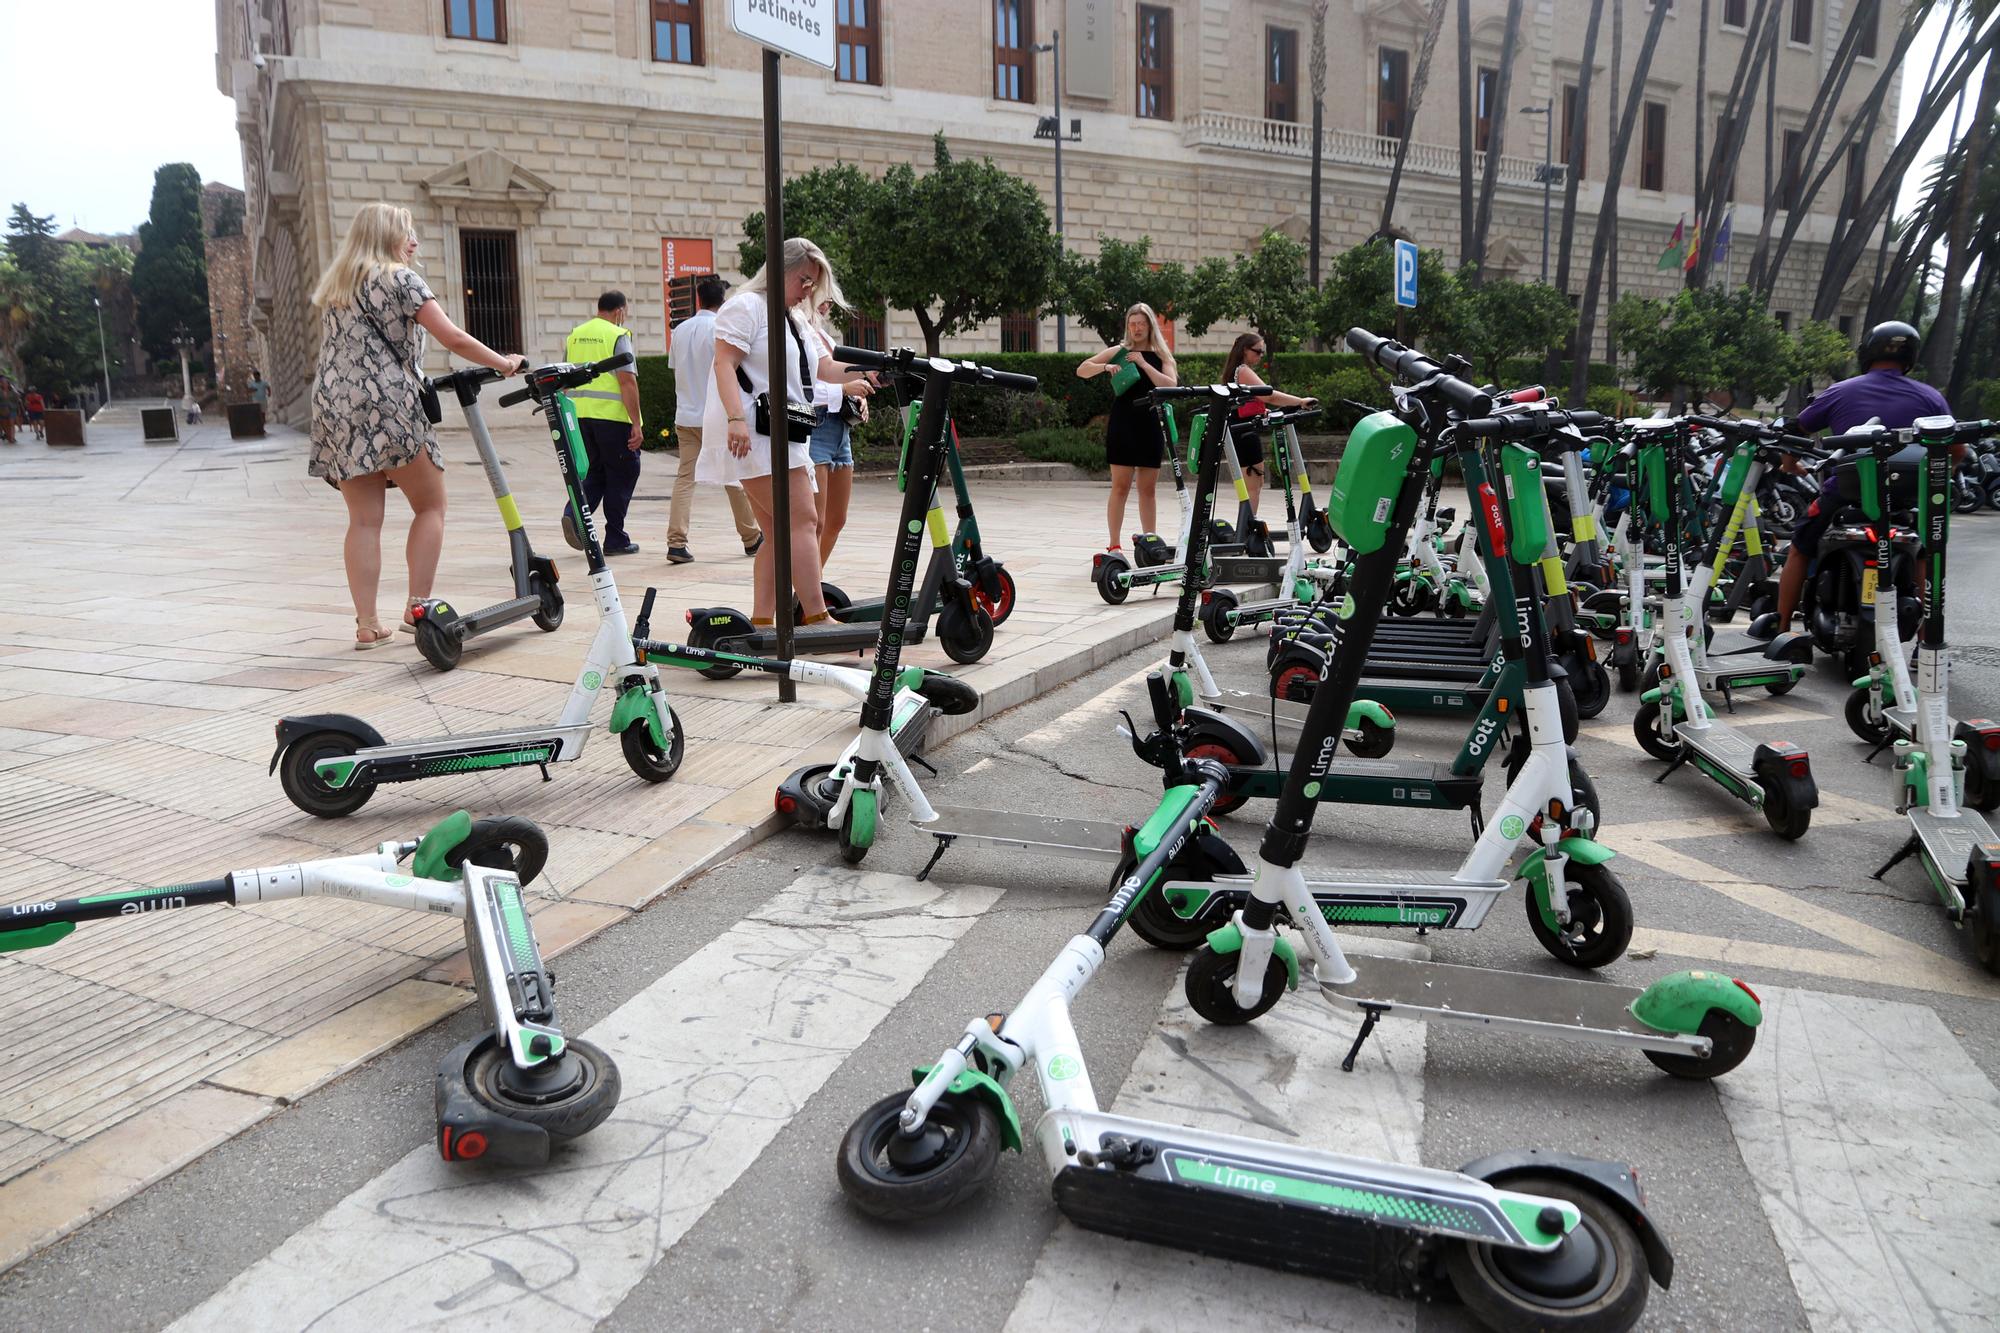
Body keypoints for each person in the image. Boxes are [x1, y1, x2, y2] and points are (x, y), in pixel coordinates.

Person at [307, 202, 525, 649]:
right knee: (430, 506)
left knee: (364, 520)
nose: (415, 241)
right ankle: (416, 606)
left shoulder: (336, 288)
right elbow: (453, 337)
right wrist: (504, 363)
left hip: (335, 406)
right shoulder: (401, 279)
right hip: (389, 403)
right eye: (407, 232)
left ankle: (367, 623)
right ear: (386, 235)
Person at [702, 237, 876, 628]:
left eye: (813, 284)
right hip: (757, 434)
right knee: (802, 519)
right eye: (805, 280)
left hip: (780, 433)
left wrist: (869, 369)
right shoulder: (747, 307)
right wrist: (735, 419)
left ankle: (763, 621)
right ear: (781, 271)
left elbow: (824, 369)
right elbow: (724, 365)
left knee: (778, 531)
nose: (808, 291)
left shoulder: (791, 319)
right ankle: (815, 614)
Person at [1756, 320, 1952, 640]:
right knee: (1925, 554)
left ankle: (1782, 629)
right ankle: (1927, 640)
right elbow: (1955, 449)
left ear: (1867, 353)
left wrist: (1790, 465)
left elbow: (1797, 431)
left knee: (1799, 549)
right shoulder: (1931, 397)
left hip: (1844, 493)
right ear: (1910, 356)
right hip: (1906, 497)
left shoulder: (1842, 390)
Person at [666, 275, 762, 565]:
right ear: (724, 300)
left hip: (685, 414)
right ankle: (751, 537)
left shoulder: (680, 331)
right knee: (734, 475)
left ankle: (676, 542)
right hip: (716, 414)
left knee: (685, 478)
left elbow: (675, 369)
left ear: (698, 299)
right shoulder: (723, 327)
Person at [1076, 303, 1177, 554]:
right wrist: (1105, 367)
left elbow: (1170, 386)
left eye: (1141, 323)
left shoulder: (1162, 355)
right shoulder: (1119, 350)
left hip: (1151, 424)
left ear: (1150, 325)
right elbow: (1082, 370)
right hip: (1123, 424)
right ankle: (1114, 544)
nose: (1137, 328)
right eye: (1132, 324)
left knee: (1148, 489)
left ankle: (1150, 543)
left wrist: (1143, 363)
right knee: (1120, 486)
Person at [559, 292, 645, 557]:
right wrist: (636, 422)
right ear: (620, 311)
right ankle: (616, 538)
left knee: (594, 472)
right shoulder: (618, 335)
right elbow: (627, 381)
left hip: (580, 417)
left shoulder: (575, 334)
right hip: (611, 417)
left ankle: (574, 515)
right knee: (624, 472)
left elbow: (563, 376)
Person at [801, 296, 873, 565]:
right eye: (820, 299)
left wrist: (858, 397)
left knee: (835, 520)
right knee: (815, 522)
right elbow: (800, 388)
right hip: (815, 425)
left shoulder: (821, 335)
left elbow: (843, 377)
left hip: (839, 427)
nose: (825, 306)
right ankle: (809, 592)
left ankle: (811, 584)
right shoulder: (796, 333)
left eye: (830, 301)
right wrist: (843, 389)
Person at [1221, 332, 1317, 515]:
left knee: (1252, 486)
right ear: (1244, 350)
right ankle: (1247, 530)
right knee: (1253, 487)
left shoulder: (1235, 371)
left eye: (1262, 352)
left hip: (1240, 430)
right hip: (1245, 433)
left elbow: (1250, 402)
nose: (1260, 356)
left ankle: (1247, 528)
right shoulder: (1242, 371)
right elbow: (1269, 395)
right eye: (1257, 351)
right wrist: (1300, 401)